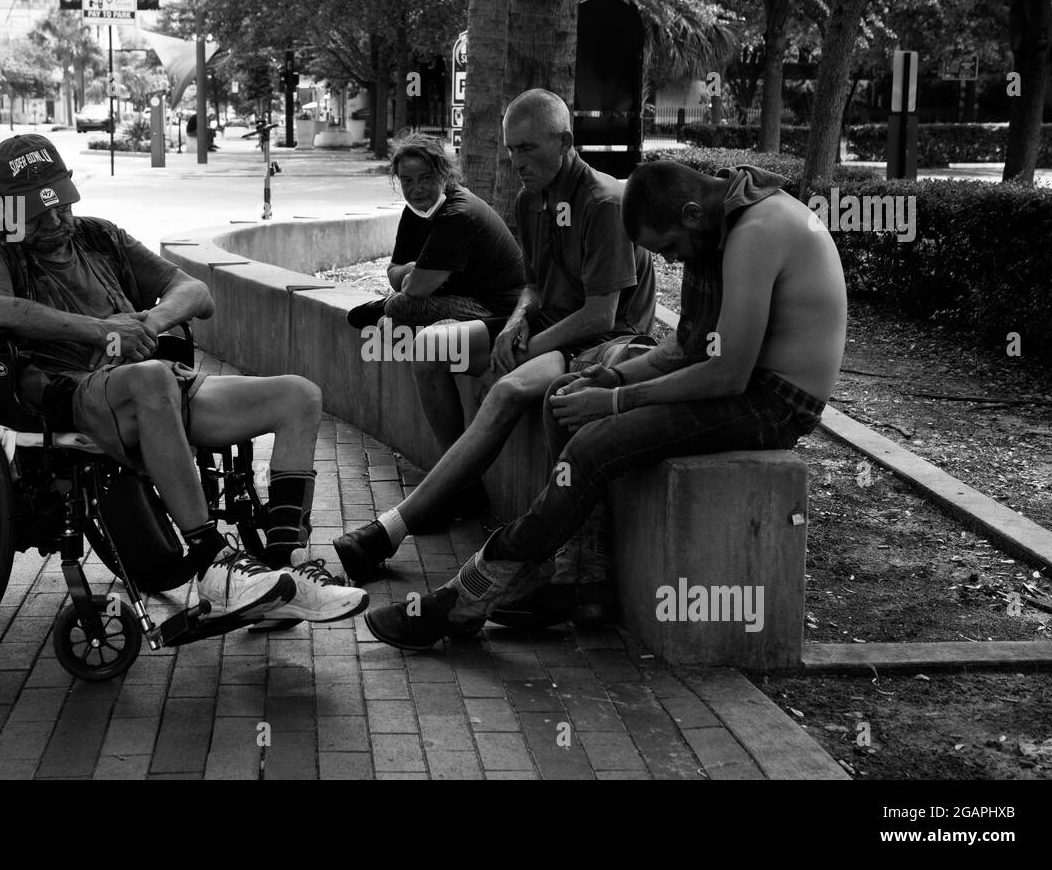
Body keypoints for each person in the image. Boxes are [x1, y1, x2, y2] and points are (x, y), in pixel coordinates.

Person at [363, 159, 848, 650]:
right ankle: (580, 583)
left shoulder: (757, 231)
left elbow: (727, 372)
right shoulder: (720, 220)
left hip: (777, 403)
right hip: (744, 385)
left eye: (670, 248)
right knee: (564, 397)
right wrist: (609, 377)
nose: (676, 261)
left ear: (691, 213)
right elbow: (686, 348)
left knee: (593, 446)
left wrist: (617, 400)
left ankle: (466, 595)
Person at [0, 134, 364, 630]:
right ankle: (214, 562)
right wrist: (104, 331)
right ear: (6, 208)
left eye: (61, 205)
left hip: (154, 384)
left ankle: (288, 569)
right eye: (39, 214)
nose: (58, 220)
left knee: (299, 395)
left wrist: (147, 324)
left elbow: (196, 292)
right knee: (150, 378)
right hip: (68, 391)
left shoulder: (98, 236)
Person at [334, 89, 657, 622]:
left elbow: (601, 316)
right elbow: (532, 285)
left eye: (528, 149)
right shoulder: (531, 198)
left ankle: (392, 529)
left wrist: (527, 343)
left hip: (600, 345)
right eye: (511, 151)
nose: (517, 162)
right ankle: (460, 492)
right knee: (431, 349)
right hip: (544, 331)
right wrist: (513, 324)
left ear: (566, 142)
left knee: (504, 391)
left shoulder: (603, 202)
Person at [345, 132, 525, 335]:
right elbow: (394, 272)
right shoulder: (416, 210)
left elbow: (415, 289)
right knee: (392, 310)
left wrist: (415, 277)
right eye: (407, 181)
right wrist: (414, 270)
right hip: (454, 294)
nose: (417, 189)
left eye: (425, 178)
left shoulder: (458, 213)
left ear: (443, 174)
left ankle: (386, 308)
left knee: (398, 307)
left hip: (495, 307)